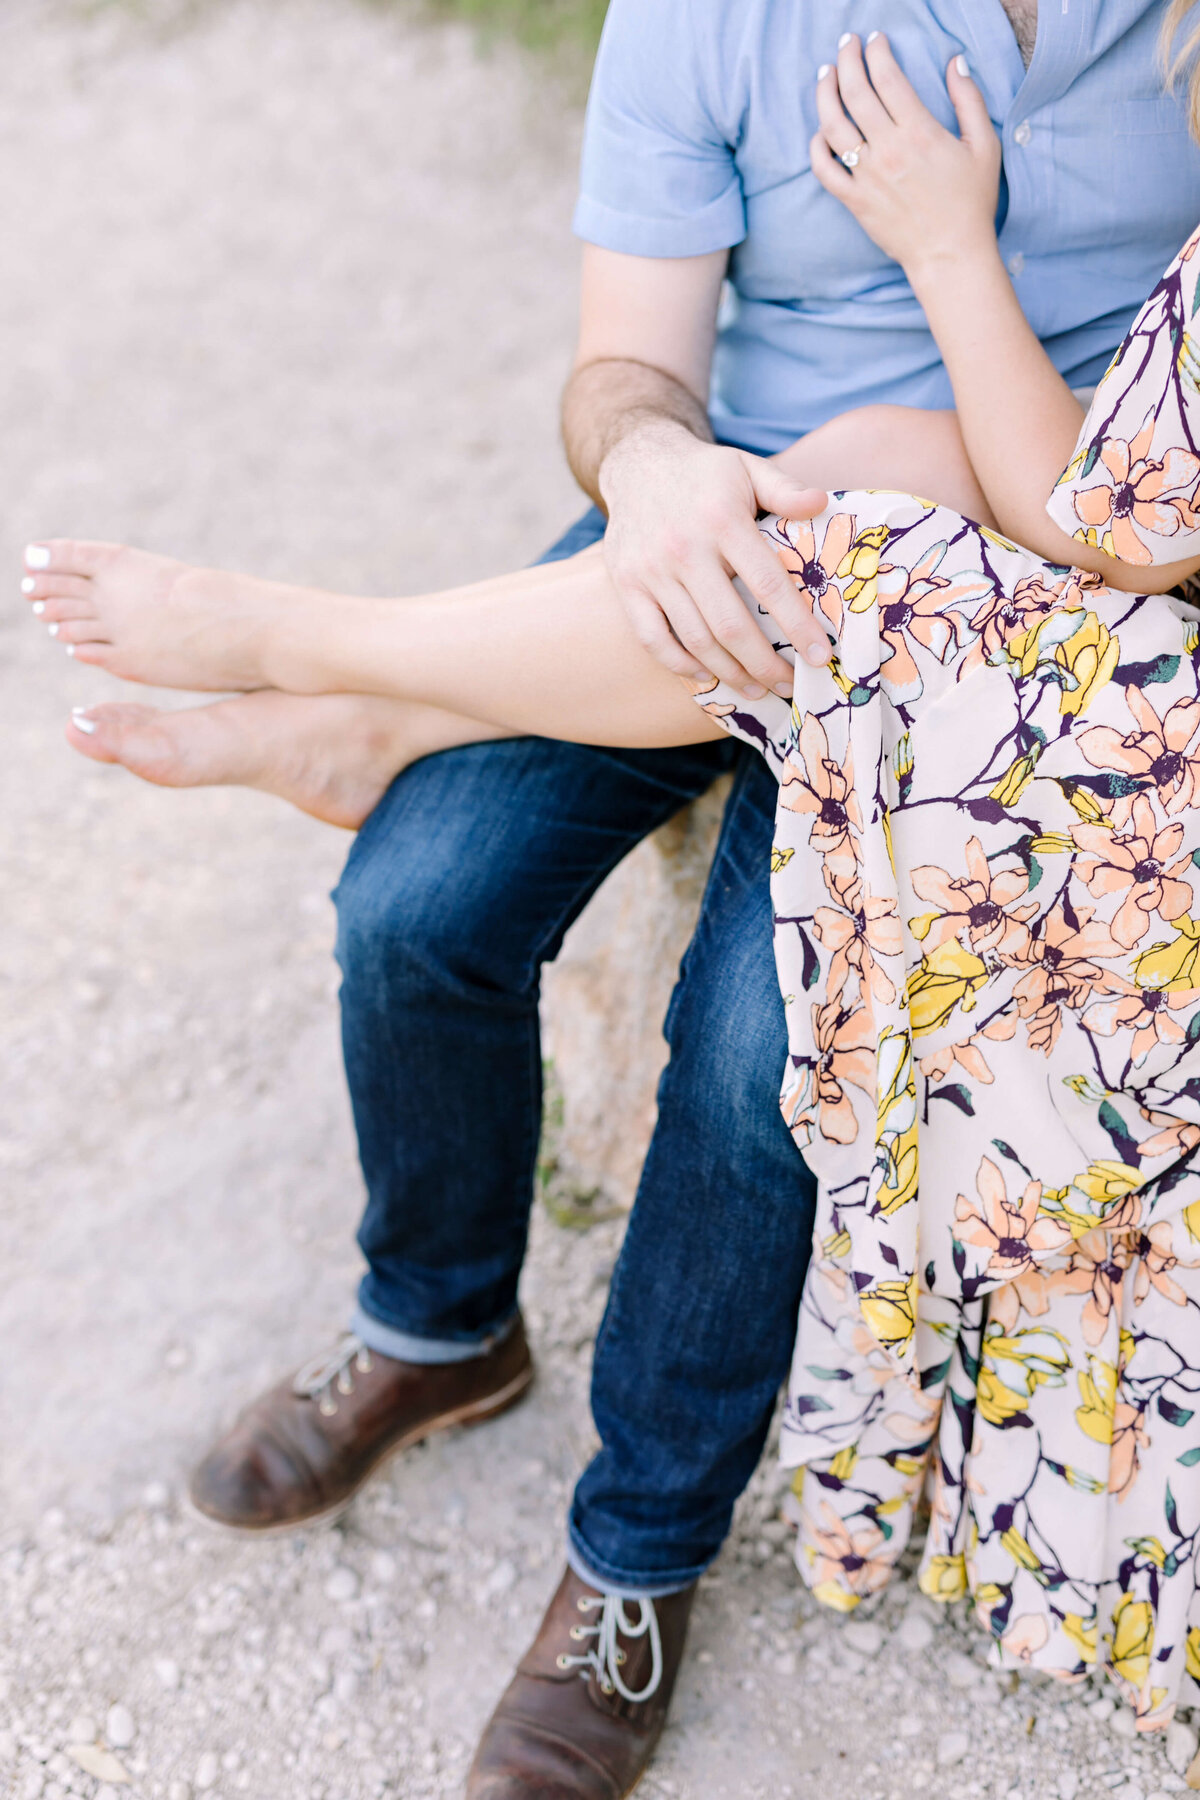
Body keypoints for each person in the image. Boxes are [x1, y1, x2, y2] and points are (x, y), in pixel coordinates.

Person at [33, 7, 1200, 1796]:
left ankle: (633, 1561)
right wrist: (653, 474)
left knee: (752, 1060)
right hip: (711, 525)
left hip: (1001, 602)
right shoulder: (712, 17)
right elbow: (618, 371)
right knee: (414, 906)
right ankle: (436, 1325)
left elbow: (1141, 498)